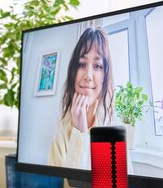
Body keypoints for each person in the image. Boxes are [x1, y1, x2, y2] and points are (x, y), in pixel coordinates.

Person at [48, 27, 115, 168]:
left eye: (97, 65)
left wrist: (83, 133)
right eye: (81, 64)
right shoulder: (61, 129)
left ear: (105, 77)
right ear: (73, 71)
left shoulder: (112, 131)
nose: (88, 76)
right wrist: (79, 132)